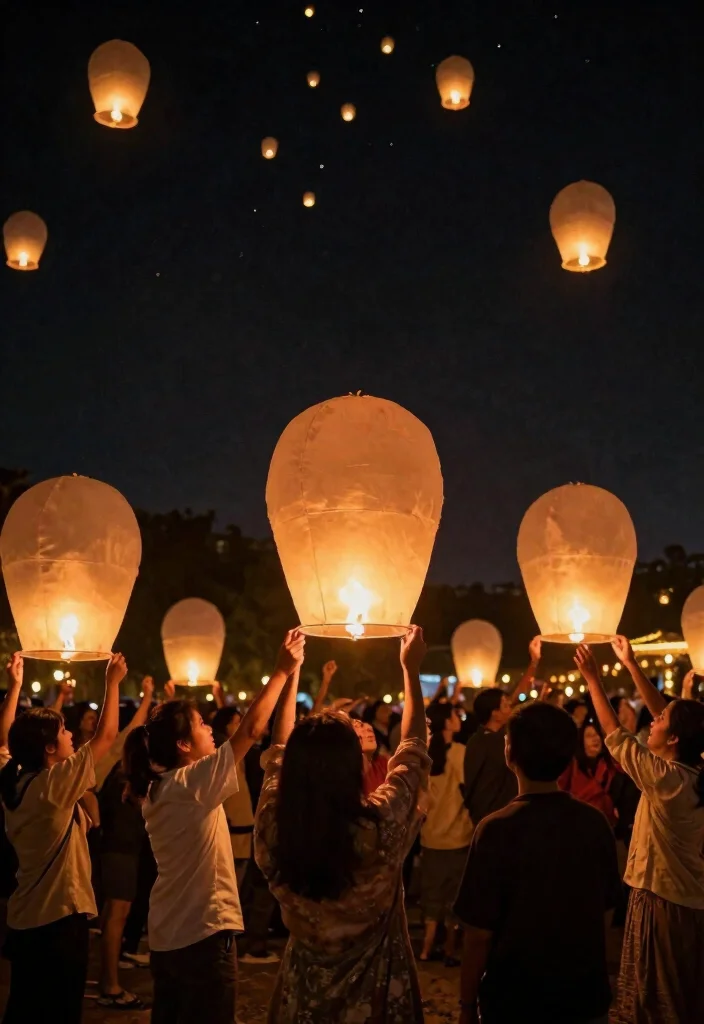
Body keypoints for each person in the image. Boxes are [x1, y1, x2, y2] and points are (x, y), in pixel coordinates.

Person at [123, 629, 305, 1024]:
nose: (210, 729)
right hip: (202, 934)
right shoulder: (191, 782)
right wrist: (281, 670)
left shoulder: (160, 787)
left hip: (168, 935)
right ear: (183, 745)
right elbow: (251, 731)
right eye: (201, 725)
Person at [254, 625, 430, 1023]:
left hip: (303, 996)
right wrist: (411, 670)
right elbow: (413, 752)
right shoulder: (378, 827)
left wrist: (290, 671)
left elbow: (278, 753)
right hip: (378, 995)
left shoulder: (273, 830)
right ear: (352, 767)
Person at [455, 701, 620, 1024]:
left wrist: (467, 1005)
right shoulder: (594, 822)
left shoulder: (495, 830)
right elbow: (605, 910)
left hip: (514, 998)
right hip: (582, 994)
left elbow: (478, 934)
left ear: (510, 753)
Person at [575, 637, 704, 1024]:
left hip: (661, 901)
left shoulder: (666, 780)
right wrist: (631, 665)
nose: (653, 720)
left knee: (658, 999)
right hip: (687, 899)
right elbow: (668, 714)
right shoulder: (694, 772)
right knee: (682, 992)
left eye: (660, 721)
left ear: (675, 738)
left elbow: (614, 734)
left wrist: (593, 679)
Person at [0, 651, 127, 1024]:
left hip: (25, 918)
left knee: (23, 1008)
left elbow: (5, 742)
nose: (71, 735)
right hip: (58, 920)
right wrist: (112, 682)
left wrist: (15, 686)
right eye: (64, 731)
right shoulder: (53, 785)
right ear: (49, 748)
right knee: (59, 1011)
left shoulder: (14, 781)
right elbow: (106, 736)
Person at [463, 637, 541, 825]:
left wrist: (534, 662)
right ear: (495, 713)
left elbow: (518, 694)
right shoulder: (486, 743)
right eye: (506, 706)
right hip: (492, 821)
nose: (511, 708)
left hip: (506, 818)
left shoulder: (493, 737)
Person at [418, 702, 472, 964]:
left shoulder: (425, 754)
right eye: (454, 715)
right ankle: (450, 949)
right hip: (458, 834)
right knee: (454, 896)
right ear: (448, 722)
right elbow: (467, 787)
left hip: (430, 836)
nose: (458, 718)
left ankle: (426, 949)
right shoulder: (460, 752)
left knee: (432, 894)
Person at [211, 703, 254, 887]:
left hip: (242, 827)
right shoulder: (221, 755)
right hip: (231, 828)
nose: (239, 726)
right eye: (236, 723)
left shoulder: (237, 754)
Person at [558, 719, 620, 827]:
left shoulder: (610, 765)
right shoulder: (573, 764)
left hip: (604, 823)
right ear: (582, 741)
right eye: (589, 736)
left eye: (597, 735)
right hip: (577, 821)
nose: (595, 739)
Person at [351, 716, 389, 795]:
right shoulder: (347, 776)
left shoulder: (383, 763)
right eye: (357, 726)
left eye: (362, 723)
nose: (368, 727)